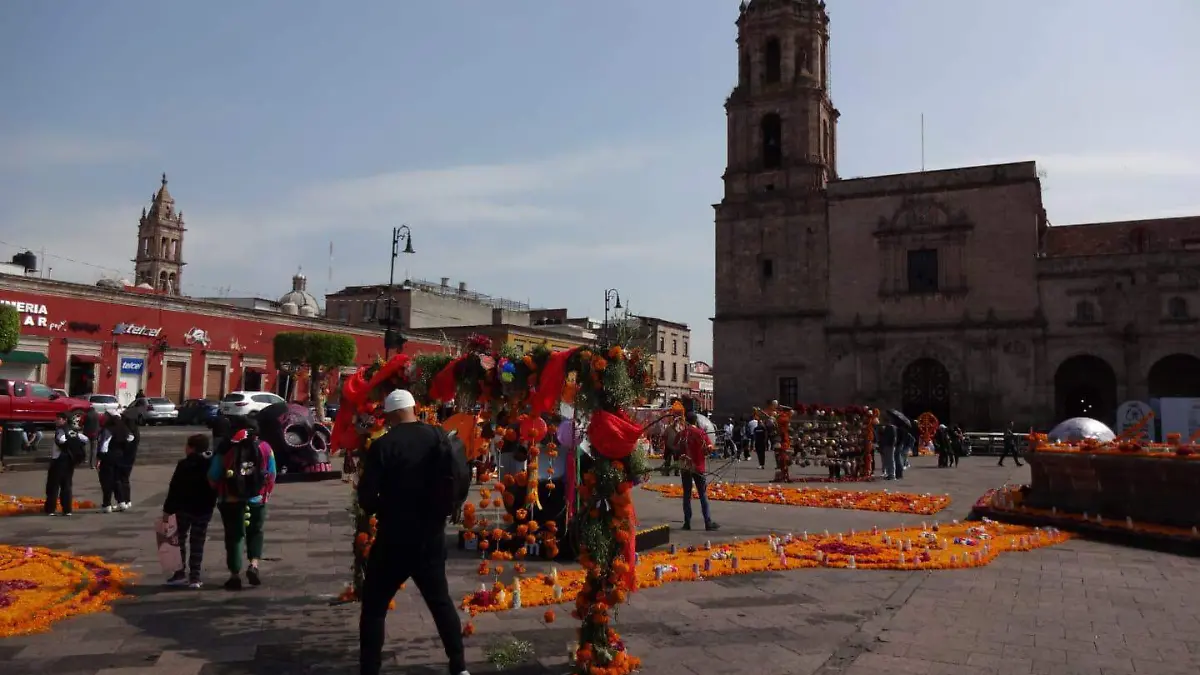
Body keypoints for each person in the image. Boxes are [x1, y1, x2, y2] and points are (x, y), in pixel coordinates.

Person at [358, 389, 470, 675]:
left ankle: (370, 669)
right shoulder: (439, 436)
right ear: (412, 408)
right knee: (440, 601)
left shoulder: (384, 446)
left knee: (374, 606)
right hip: (431, 536)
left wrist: (388, 503)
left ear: (394, 413)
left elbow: (367, 501)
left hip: (393, 538)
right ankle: (458, 665)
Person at [209, 419, 275, 590]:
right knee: (256, 532)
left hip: (230, 500)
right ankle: (254, 565)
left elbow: (213, 476)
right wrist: (264, 493)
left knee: (234, 536)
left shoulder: (225, 449)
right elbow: (272, 474)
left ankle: (234, 575)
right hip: (257, 499)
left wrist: (221, 489)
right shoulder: (265, 448)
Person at [163, 434, 218, 589]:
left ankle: (179, 573)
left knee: (178, 541)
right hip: (203, 509)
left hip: (183, 508)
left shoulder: (183, 465)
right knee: (197, 542)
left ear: (191, 448)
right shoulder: (210, 464)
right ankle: (195, 577)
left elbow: (173, 488)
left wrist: (167, 510)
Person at [679, 412, 720, 532]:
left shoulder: (682, 434)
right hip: (698, 467)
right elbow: (709, 448)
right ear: (696, 421)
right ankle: (707, 522)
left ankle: (687, 522)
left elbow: (674, 446)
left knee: (687, 494)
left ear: (686, 421)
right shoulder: (700, 433)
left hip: (685, 467)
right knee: (702, 494)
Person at [46, 413, 85, 516]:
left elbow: (60, 440)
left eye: (58, 419)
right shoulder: (73, 430)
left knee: (53, 486)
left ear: (64, 420)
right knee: (67, 486)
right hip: (69, 461)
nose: (56, 421)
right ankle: (67, 509)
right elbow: (84, 439)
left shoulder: (60, 430)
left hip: (58, 461)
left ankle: (50, 509)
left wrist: (66, 444)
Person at [96, 413, 135, 512]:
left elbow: (104, 445)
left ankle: (107, 504)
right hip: (120, 457)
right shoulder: (123, 428)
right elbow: (131, 438)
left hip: (108, 457)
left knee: (106, 481)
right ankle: (121, 502)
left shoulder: (108, 429)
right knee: (117, 480)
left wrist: (99, 458)